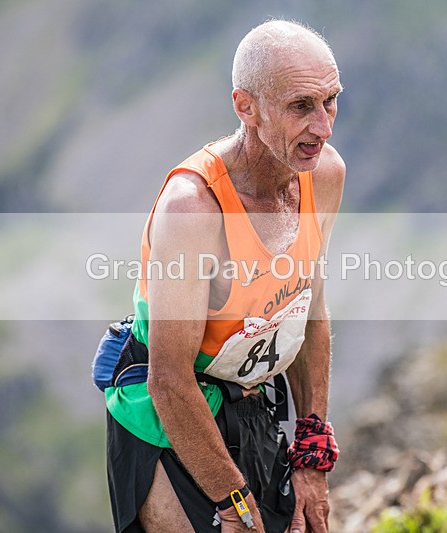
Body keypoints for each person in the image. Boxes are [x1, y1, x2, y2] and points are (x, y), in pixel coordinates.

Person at [103, 19, 345, 533]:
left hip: (252, 399)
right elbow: (168, 380)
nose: (323, 128)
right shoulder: (194, 210)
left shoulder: (324, 174)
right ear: (246, 107)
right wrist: (234, 503)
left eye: (331, 101)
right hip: (168, 413)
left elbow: (310, 314)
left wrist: (312, 454)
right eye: (301, 106)